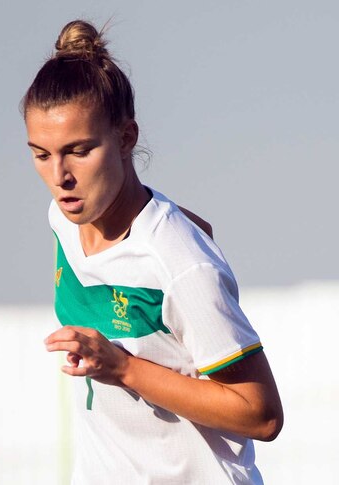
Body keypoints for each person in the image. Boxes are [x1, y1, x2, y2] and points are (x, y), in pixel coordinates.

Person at [22, 19, 283, 484]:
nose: (60, 176)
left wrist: (122, 367)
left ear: (126, 138)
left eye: (79, 151)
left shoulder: (180, 264)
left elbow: (261, 415)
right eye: (42, 154)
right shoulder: (63, 217)